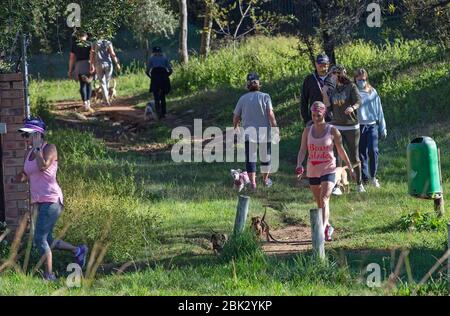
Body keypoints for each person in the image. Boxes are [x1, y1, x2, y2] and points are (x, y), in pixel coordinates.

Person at [15, 118, 88, 281]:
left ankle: (49, 276)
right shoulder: (28, 153)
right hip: (38, 201)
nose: (25, 139)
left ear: (37, 135)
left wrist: (37, 149)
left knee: (39, 238)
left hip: (52, 199)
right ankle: (78, 250)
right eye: (24, 136)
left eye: (28, 135)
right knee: (46, 239)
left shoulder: (50, 148)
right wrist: (16, 178)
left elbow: (43, 166)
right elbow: (27, 173)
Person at [295, 101, 355, 241]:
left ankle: (321, 232)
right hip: (313, 169)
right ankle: (327, 226)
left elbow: (341, 150)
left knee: (324, 198)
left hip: (329, 168)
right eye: (314, 114)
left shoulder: (332, 130)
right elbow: (303, 149)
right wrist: (299, 164)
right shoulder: (307, 130)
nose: (316, 117)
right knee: (319, 202)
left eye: (319, 115)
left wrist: (350, 167)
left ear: (324, 114)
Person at [322, 65, 365, 194]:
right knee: (336, 156)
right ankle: (337, 185)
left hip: (351, 126)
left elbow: (359, 101)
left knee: (354, 155)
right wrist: (324, 93)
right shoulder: (333, 89)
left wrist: (352, 108)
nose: (331, 77)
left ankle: (359, 183)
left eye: (333, 74)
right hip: (337, 125)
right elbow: (328, 108)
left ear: (339, 74)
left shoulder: (351, 87)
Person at [233, 73, 278, 190]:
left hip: (249, 132)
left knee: (251, 157)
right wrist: (275, 128)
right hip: (264, 131)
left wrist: (236, 127)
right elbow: (270, 114)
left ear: (247, 85)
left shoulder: (242, 98)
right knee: (265, 157)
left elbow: (236, 116)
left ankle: (253, 183)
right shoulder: (265, 97)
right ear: (259, 84)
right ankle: (265, 179)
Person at [354, 68, 387, 188]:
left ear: (366, 79)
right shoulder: (353, 91)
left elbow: (379, 110)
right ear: (355, 79)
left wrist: (383, 127)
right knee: (361, 154)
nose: (361, 81)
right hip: (358, 126)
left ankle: (373, 176)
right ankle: (365, 178)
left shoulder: (372, 91)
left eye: (363, 79)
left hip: (372, 125)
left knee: (373, 151)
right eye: (359, 79)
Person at [300, 53, 336, 126]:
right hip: (314, 120)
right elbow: (304, 101)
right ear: (316, 64)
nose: (322, 66)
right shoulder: (309, 79)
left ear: (328, 64)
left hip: (332, 120)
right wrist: (307, 120)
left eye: (324, 64)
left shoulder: (334, 78)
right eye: (320, 63)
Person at [89, 34, 121, 106]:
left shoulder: (94, 43)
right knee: (107, 81)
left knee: (102, 82)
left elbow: (92, 54)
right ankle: (106, 100)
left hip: (98, 64)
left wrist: (91, 64)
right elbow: (112, 53)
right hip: (108, 64)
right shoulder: (108, 42)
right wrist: (117, 63)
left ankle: (105, 100)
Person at [68, 31, 94, 112]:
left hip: (79, 65)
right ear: (86, 36)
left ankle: (85, 103)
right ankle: (89, 103)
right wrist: (92, 65)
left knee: (82, 84)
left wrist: (70, 70)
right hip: (89, 64)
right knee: (89, 84)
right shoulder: (90, 44)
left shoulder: (75, 45)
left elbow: (72, 58)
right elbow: (92, 54)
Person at [146, 47, 172, 119]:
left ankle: (158, 113)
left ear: (153, 52)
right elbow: (170, 69)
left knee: (156, 96)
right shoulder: (164, 58)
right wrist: (166, 76)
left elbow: (147, 71)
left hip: (155, 76)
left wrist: (151, 77)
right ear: (161, 52)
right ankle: (163, 113)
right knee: (162, 97)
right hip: (163, 76)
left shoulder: (151, 59)